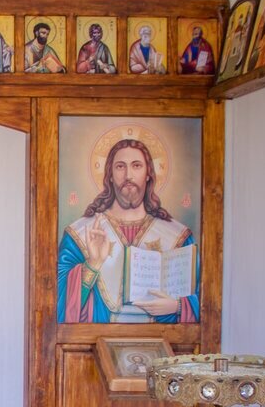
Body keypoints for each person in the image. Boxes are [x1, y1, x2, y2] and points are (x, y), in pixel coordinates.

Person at [57, 138, 198, 324]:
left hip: (163, 340)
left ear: (148, 174)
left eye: (136, 166)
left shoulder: (178, 236)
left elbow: (206, 300)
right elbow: (58, 303)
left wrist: (178, 306)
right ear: (110, 175)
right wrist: (92, 264)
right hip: (95, 338)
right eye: (120, 166)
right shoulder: (80, 233)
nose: (128, 175)